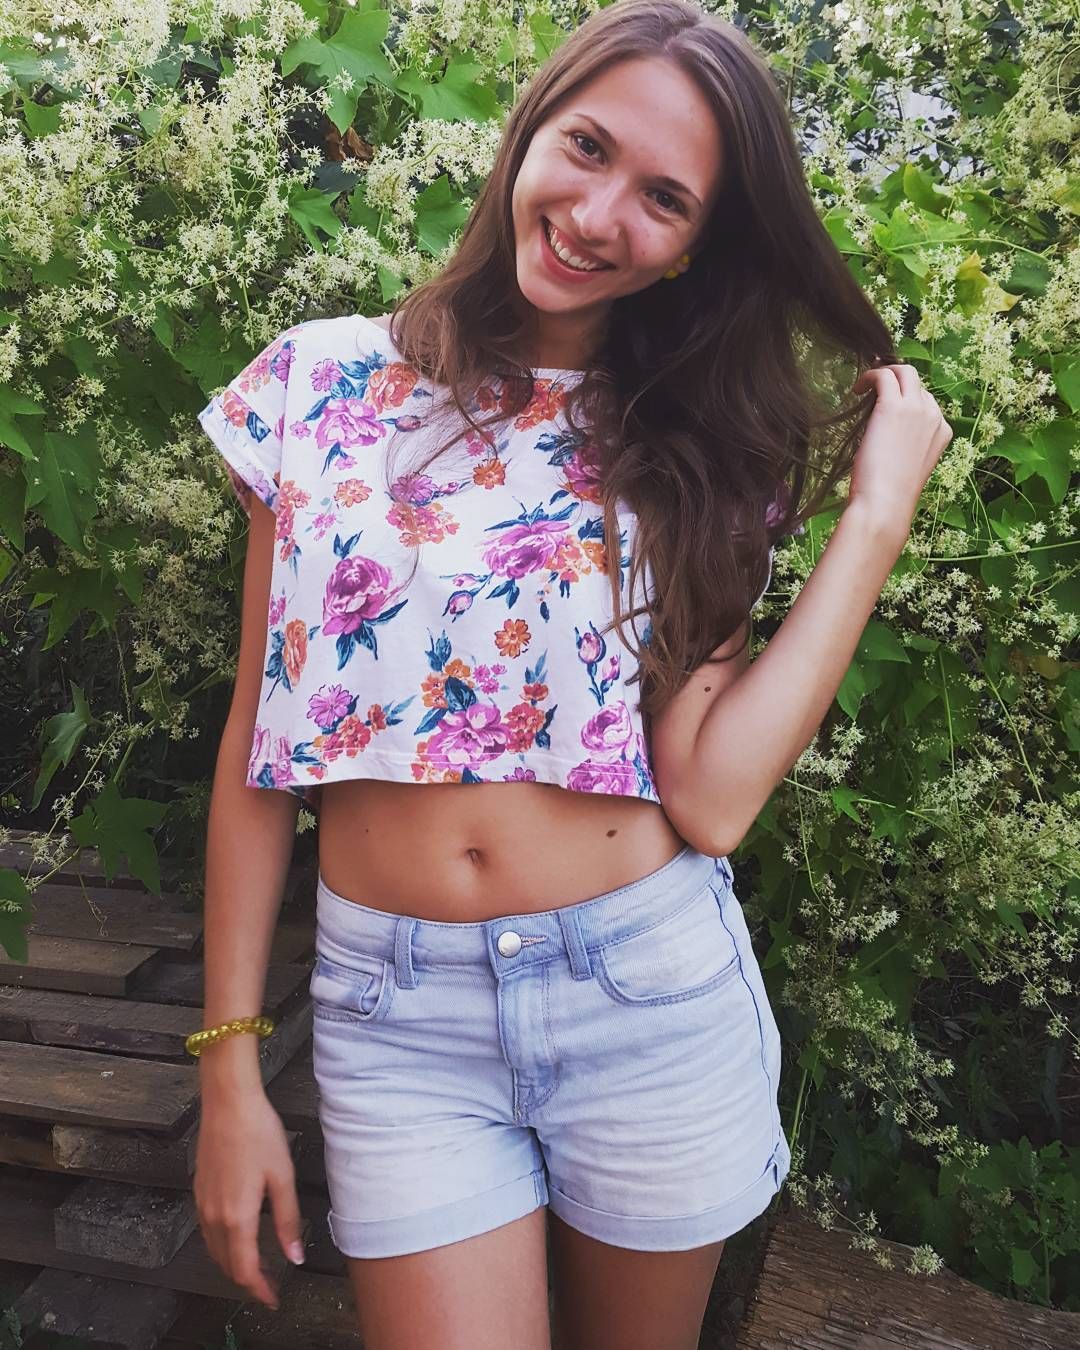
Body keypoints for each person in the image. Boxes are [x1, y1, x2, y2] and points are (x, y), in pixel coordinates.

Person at [190, 1, 952, 1346]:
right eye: (588, 148)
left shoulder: (699, 445)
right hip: (396, 1020)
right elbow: (259, 743)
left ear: (695, 248)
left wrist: (875, 522)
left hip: (642, 995)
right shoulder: (317, 384)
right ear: (529, 127)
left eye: (664, 198)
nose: (600, 215)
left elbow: (711, 797)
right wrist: (229, 1066)